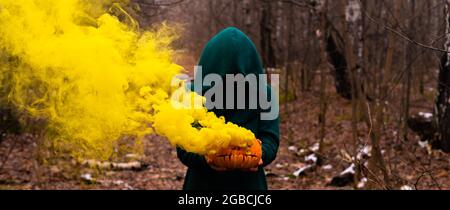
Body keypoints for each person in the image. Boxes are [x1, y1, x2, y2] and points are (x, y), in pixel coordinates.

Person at [177, 27, 280, 190]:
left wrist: (259, 156)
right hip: (202, 186)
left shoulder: (265, 94)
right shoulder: (192, 95)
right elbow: (184, 146)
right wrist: (207, 158)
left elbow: (270, 138)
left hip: (249, 188)